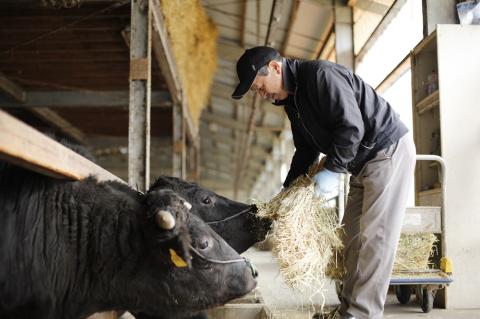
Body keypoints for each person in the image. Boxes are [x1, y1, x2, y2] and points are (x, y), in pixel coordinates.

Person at [231, 46, 416, 319]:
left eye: (260, 87)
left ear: (275, 68)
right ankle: (348, 310)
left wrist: (333, 170)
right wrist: (287, 192)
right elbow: (305, 149)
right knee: (351, 239)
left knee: (375, 238)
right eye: (257, 92)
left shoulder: (319, 75)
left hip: (386, 152)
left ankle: (363, 314)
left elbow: (352, 126)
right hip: (361, 164)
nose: (262, 95)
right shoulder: (292, 103)